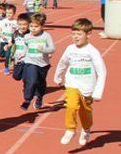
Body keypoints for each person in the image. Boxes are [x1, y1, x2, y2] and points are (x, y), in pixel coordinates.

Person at [53, 18, 106, 146]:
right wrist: (58, 76)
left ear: (88, 35)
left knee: (85, 111)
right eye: (73, 33)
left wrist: (98, 92)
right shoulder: (70, 49)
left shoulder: (92, 51)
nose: (75, 37)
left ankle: (86, 128)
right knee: (71, 105)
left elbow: (102, 71)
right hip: (72, 84)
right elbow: (63, 63)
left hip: (88, 86)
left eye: (79, 34)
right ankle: (70, 129)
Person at [20, 13, 55, 110]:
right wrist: (23, 54)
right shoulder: (27, 36)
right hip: (30, 62)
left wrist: (44, 50)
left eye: (36, 26)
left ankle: (39, 98)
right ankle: (27, 100)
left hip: (43, 64)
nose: (33, 28)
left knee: (41, 83)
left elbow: (52, 48)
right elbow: (25, 47)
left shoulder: (46, 36)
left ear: (42, 26)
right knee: (32, 80)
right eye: (31, 26)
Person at [0, 4, 18, 75]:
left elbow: (17, 32)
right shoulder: (3, 21)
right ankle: (10, 57)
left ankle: (6, 67)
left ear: (14, 13)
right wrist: (1, 35)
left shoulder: (15, 22)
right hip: (3, 41)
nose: (8, 14)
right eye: (7, 13)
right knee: (1, 54)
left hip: (10, 42)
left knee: (8, 54)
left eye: (10, 13)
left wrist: (14, 37)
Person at [9, 13, 31, 82]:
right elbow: (12, 44)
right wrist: (8, 46)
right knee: (16, 76)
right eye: (20, 24)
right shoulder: (15, 34)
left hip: (28, 59)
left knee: (26, 78)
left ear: (28, 25)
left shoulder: (31, 34)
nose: (22, 27)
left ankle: (27, 88)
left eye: (25, 24)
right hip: (18, 59)